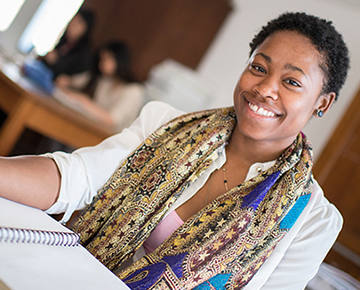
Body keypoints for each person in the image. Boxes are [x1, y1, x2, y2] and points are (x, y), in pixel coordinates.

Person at [0, 12, 350, 289]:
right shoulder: (164, 125)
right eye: (258, 67)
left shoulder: (312, 219)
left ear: (323, 102)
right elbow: (74, 178)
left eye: (291, 82)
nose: (265, 89)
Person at [54, 41, 145, 131]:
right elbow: (78, 81)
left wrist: (84, 101)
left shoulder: (134, 91)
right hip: (92, 128)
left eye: (106, 59)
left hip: (109, 137)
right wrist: (69, 81)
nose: (101, 64)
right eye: (101, 59)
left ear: (119, 60)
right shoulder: (105, 80)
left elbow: (112, 121)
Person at [38, 8, 95, 88]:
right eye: (72, 21)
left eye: (77, 23)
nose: (72, 25)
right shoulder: (64, 40)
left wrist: (54, 61)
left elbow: (70, 76)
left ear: (86, 29)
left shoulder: (84, 53)